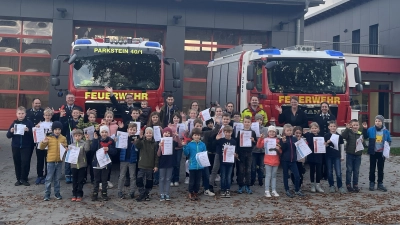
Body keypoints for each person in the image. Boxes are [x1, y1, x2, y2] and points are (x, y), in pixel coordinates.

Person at [39, 121, 67, 201]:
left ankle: (57, 193)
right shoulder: (49, 137)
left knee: (57, 178)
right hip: (51, 161)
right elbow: (41, 147)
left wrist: (66, 148)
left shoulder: (63, 138)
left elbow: (65, 147)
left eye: (59, 129)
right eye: (55, 129)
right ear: (52, 130)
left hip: (59, 161)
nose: (57, 131)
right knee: (48, 178)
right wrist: (43, 142)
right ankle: (47, 194)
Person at [362, 115, 391, 192]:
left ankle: (380, 183)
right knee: (372, 168)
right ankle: (371, 182)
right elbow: (365, 136)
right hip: (373, 152)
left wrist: (387, 145)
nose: (377, 122)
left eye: (379, 121)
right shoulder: (370, 129)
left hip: (381, 153)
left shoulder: (386, 131)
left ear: (382, 122)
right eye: (376, 121)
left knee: (380, 169)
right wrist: (364, 129)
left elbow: (389, 140)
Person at [7, 106, 34, 186]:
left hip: (26, 146)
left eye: (22, 113)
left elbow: (34, 134)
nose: (21, 115)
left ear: (25, 114)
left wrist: (28, 130)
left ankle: (24, 178)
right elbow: (8, 136)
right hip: (16, 146)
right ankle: (18, 179)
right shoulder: (14, 123)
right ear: (16, 114)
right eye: (19, 113)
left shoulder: (29, 122)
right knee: (17, 162)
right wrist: (11, 131)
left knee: (25, 162)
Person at [90, 126, 116, 201]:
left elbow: (114, 152)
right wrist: (94, 140)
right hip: (97, 163)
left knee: (104, 180)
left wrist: (109, 149)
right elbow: (92, 149)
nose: (104, 134)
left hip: (105, 164)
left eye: (105, 132)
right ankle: (95, 194)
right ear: (100, 133)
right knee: (96, 180)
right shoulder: (97, 140)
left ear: (108, 133)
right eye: (102, 132)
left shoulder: (111, 141)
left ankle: (104, 194)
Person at [135, 127, 159, 202]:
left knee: (149, 182)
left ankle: (147, 193)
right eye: (147, 133)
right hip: (142, 164)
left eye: (150, 133)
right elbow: (137, 145)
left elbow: (156, 156)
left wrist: (156, 165)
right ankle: (142, 193)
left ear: (152, 134)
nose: (148, 134)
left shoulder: (155, 144)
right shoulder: (142, 142)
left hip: (150, 166)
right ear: (145, 134)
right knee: (139, 180)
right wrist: (140, 138)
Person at [313, 102, 336, 180]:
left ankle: (326, 175)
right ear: (321, 108)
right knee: (320, 158)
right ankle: (320, 174)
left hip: (329, 139)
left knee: (327, 157)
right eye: (323, 107)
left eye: (326, 107)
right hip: (320, 140)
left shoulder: (332, 117)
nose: (324, 108)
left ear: (328, 108)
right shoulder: (316, 117)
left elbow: (334, 128)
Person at [280, 124, 304, 198]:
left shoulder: (294, 139)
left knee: (297, 176)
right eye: (288, 131)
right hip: (285, 160)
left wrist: (300, 141)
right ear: (284, 131)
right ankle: (287, 189)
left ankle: (297, 189)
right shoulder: (283, 139)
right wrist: (283, 142)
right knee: (286, 175)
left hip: (293, 160)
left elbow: (299, 148)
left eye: (290, 130)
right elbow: (282, 149)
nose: (289, 132)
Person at [256, 126, 281, 198]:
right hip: (267, 160)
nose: (272, 133)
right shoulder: (266, 140)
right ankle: (267, 190)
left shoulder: (278, 140)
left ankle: (273, 190)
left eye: (273, 132)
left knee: (274, 176)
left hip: (276, 160)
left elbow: (280, 151)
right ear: (268, 133)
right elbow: (259, 146)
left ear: (275, 133)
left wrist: (278, 149)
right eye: (270, 132)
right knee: (268, 176)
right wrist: (260, 138)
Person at [183, 128, 206, 201]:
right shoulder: (190, 144)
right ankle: (190, 192)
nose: (197, 137)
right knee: (192, 180)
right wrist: (184, 146)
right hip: (192, 165)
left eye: (198, 135)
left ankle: (196, 192)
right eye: (195, 135)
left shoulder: (202, 144)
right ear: (192, 136)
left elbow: (204, 153)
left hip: (200, 165)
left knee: (198, 181)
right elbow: (187, 153)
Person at [60, 107, 82, 184]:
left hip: (77, 144)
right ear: (72, 114)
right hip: (69, 143)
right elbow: (62, 127)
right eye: (74, 113)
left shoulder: (81, 122)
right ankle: (67, 175)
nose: (75, 114)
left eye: (77, 113)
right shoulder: (68, 121)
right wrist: (61, 117)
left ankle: (73, 175)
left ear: (79, 114)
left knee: (75, 160)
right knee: (68, 160)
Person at [236, 116, 257, 194]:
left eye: (248, 122)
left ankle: (247, 186)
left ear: (251, 123)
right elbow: (237, 143)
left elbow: (256, 143)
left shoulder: (253, 132)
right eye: (245, 122)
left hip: (249, 153)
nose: (247, 123)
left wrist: (253, 140)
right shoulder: (240, 132)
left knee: (248, 170)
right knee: (241, 170)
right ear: (243, 123)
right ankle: (241, 186)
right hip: (241, 153)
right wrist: (237, 152)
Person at [117, 123, 138, 199]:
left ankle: (132, 192)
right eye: (131, 129)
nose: (132, 131)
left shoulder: (137, 139)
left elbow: (138, 149)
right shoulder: (123, 137)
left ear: (136, 131)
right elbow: (118, 148)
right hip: (124, 159)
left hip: (132, 160)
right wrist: (117, 141)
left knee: (132, 176)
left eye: (134, 130)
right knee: (122, 176)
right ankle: (119, 191)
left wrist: (137, 143)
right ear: (127, 130)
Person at [157, 127, 179, 201]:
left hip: (170, 162)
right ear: (162, 133)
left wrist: (177, 136)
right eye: (165, 132)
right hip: (162, 162)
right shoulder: (160, 141)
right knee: (162, 178)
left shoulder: (172, 142)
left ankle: (166, 193)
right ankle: (161, 194)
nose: (167, 134)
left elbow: (180, 145)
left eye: (169, 133)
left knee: (168, 178)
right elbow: (158, 154)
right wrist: (160, 147)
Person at [215, 125, 237, 198]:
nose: (228, 134)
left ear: (232, 132)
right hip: (223, 161)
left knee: (228, 176)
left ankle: (227, 189)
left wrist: (235, 154)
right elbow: (214, 145)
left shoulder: (233, 141)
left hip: (230, 162)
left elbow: (236, 151)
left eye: (229, 132)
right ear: (224, 132)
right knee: (223, 176)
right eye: (226, 132)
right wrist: (217, 139)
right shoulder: (221, 140)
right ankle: (222, 189)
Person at [69, 129, 91, 202]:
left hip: (82, 165)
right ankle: (74, 194)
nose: (77, 137)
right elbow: (68, 155)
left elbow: (87, 149)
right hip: (74, 165)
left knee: (80, 180)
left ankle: (79, 194)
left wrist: (87, 140)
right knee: (74, 180)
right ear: (74, 137)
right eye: (76, 136)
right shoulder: (71, 145)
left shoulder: (84, 143)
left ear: (81, 136)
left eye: (79, 135)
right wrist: (67, 150)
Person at [324, 121, 346, 193]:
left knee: (338, 172)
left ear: (336, 127)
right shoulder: (326, 135)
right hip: (328, 156)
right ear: (329, 127)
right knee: (329, 172)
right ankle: (331, 185)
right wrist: (327, 143)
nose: (333, 128)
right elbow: (324, 146)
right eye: (331, 126)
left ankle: (340, 186)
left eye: (334, 126)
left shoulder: (339, 136)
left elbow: (342, 146)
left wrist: (342, 156)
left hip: (337, 156)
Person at [342, 119, 363, 192]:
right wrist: (347, 129)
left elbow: (364, 144)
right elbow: (343, 136)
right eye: (354, 125)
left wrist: (363, 142)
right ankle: (348, 184)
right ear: (351, 125)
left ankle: (355, 184)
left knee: (356, 170)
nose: (355, 126)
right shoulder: (349, 132)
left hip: (358, 155)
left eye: (356, 125)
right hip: (350, 154)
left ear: (359, 126)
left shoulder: (360, 133)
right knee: (349, 170)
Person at [34, 108, 53, 185]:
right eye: (46, 115)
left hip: (49, 146)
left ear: (51, 116)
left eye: (49, 115)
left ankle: (47, 176)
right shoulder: (40, 124)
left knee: (47, 161)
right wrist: (36, 128)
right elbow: (35, 133)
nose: (47, 116)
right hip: (40, 145)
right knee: (40, 161)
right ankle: (39, 176)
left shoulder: (53, 124)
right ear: (43, 116)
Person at [304, 122, 324, 193]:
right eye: (312, 128)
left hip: (318, 156)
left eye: (315, 128)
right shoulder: (309, 135)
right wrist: (307, 133)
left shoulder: (321, 137)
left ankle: (318, 185)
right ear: (310, 129)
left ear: (318, 129)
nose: (314, 129)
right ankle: (312, 185)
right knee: (312, 171)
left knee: (318, 171)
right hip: (311, 155)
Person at [251, 114, 267, 186]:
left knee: (261, 166)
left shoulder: (265, 129)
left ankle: (260, 179)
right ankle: (252, 179)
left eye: (260, 120)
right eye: (258, 120)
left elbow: (266, 140)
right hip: (254, 150)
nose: (259, 121)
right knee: (253, 166)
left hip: (262, 151)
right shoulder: (252, 128)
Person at [168, 113, 184, 187]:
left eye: (177, 118)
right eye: (174, 118)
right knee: (171, 163)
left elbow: (184, 137)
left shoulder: (182, 126)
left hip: (179, 147)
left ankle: (176, 179)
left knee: (177, 164)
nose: (176, 119)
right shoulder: (169, 126)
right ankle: (171, 179)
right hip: (171, 147)